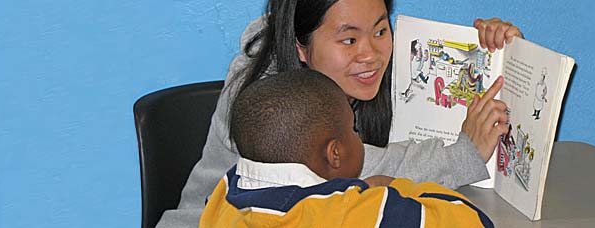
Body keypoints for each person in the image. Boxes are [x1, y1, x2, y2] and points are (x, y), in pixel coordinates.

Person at [157, 0, 523, 227]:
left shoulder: (363, 68)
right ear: (300, 46)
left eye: (380, 31)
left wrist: (498, 53)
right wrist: (466, 153)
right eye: (349, 39)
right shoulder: (268, 104)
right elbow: (370, 164)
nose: (371, 54)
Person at [200, 68, 494, 227]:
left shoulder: (223, 194)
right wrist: (398, 188)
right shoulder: (353, 213)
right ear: (335, 153)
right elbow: (473, 221)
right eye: (353, 129)